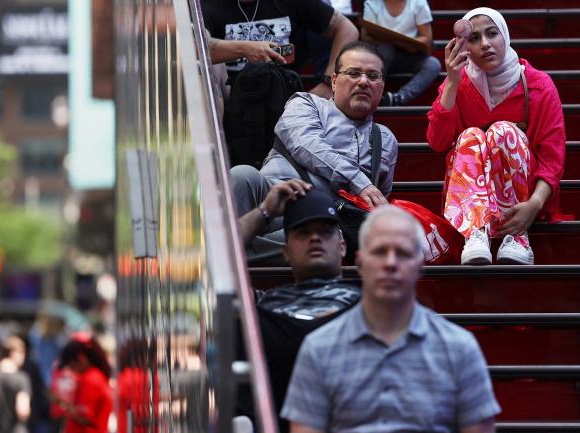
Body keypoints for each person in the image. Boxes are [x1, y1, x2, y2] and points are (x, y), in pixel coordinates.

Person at [282, 205, 500, 433]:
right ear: (359, 261)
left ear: (420, 264)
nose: (391, 263)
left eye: (403, 253)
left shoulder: (458, 347)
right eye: (380, 252)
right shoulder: (320, 347)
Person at [427, 7, 570, 266]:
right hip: (472, 194)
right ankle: (475, 230)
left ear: (505, 35)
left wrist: (535, 203)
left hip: (525, 197)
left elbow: (552, 159)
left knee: (502, 131)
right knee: (471, 135)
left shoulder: (539, 84)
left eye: (492, 34)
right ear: (463, 47)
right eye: (474, 39)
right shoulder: (459, 83)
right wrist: (451, 82)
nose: (484, 44)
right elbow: (437, 142)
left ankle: (517, 237)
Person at [231, 42, 398, 253]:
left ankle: (233, 250)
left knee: (334, 236)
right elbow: (306, 144)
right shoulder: (305, 103)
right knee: (242, 174)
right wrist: (360, 182)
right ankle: (242, 247)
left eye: (373, 76)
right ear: (334, 81)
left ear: (382, 88)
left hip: (329, 221)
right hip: (274, 205)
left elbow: (378, 199)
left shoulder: (385, 138)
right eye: (354, 73)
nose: (363, 82)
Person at [234, 186, 361, 433]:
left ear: (343, 247)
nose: (314, 238)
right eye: (303, 233)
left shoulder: (372, 300)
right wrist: (266, 211)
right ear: (286, 252)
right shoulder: (263, 304)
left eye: (325, 232)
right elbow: (208, 263)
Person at [202, 0, 358, 98]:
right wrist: (244, 48)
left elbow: (348, 30)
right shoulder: (209, 4)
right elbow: (201, 47)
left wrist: (328, 83)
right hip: (232, 98)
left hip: (284, 95)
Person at [53, 337, 112, 433]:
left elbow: (85, 417)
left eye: (72, 365)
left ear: (81, 359)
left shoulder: (91, 380)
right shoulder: (95, 377)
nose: (72, 370)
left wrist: (63, 404)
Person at [362, 0, 441, 106]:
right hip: (380, 57)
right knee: (386, 51)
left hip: (409, 55)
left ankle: (398, 98)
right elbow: (366, 37)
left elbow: (426, 38)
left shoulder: (418, 3)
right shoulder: (371, 3)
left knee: (433, 64)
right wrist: (393, 42)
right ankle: (371, 94)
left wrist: (406, 43)